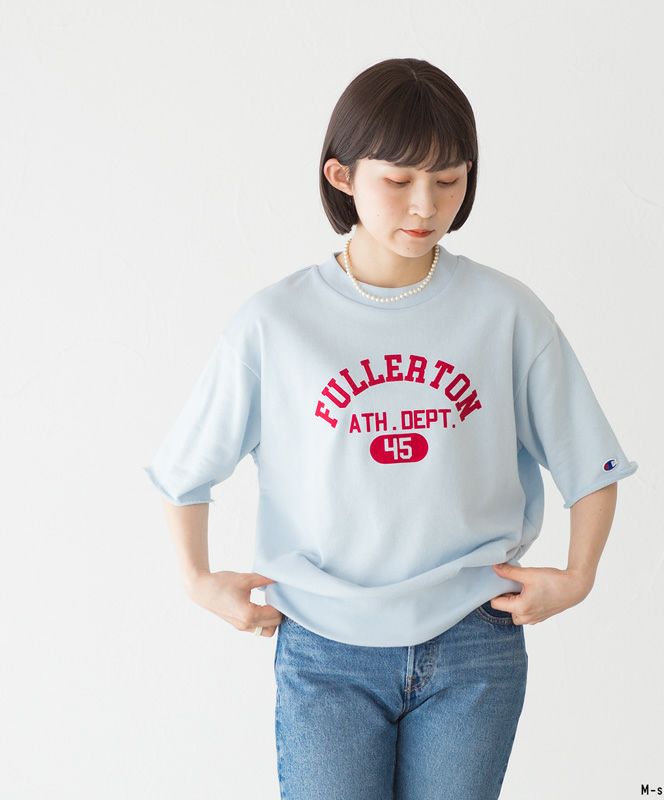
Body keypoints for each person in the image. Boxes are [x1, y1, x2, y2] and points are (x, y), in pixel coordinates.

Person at [144, 57, 638, 800]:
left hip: (474, 639)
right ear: (342, 176)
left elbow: (591, 461)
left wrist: (578, 576)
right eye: (399, 180)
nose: (425, 205)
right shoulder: (276, 322)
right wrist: (197, 580)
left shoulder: (506, 312)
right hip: (325, 648)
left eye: (449, 180)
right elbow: (184, 470)